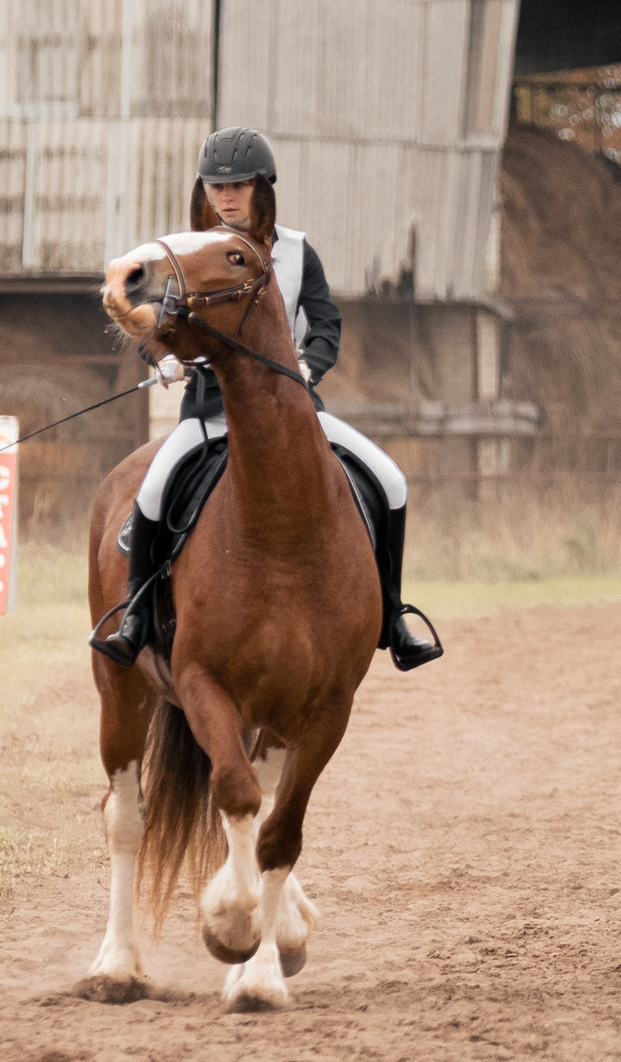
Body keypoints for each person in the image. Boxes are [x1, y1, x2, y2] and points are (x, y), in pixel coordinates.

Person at [90, 127, 442, 672]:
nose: (225, 196)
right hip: (209, 411)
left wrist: (306, 368)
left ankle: (393, 616)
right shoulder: (186, 256)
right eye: (215, 185)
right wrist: (162, 357)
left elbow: (325, 323)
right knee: (153, 491)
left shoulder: (299, 251)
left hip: (292, 409)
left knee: (391, 480)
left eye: (238, 185)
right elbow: (151, 321)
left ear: (262, 188)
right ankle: (136, 615)